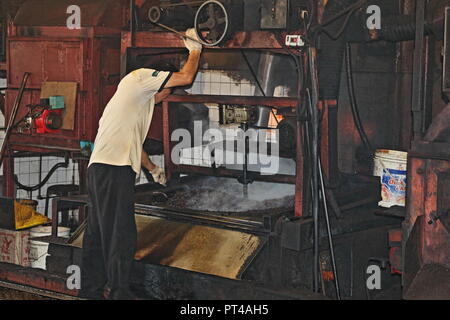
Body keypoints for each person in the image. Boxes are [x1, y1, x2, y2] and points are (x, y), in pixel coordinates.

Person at [79, 29, 202, 300]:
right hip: (113, 171)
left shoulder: (136, 101)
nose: (166, 98)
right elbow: (187, 76)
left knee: (98, 236)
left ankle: (89, 293)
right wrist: (195, 50)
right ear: (159, 82)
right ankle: (120, 293)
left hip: (101, 168)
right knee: (121, 236)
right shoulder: (140, 77)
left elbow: (134, 145)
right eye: (168, 92)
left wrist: (152, 168)